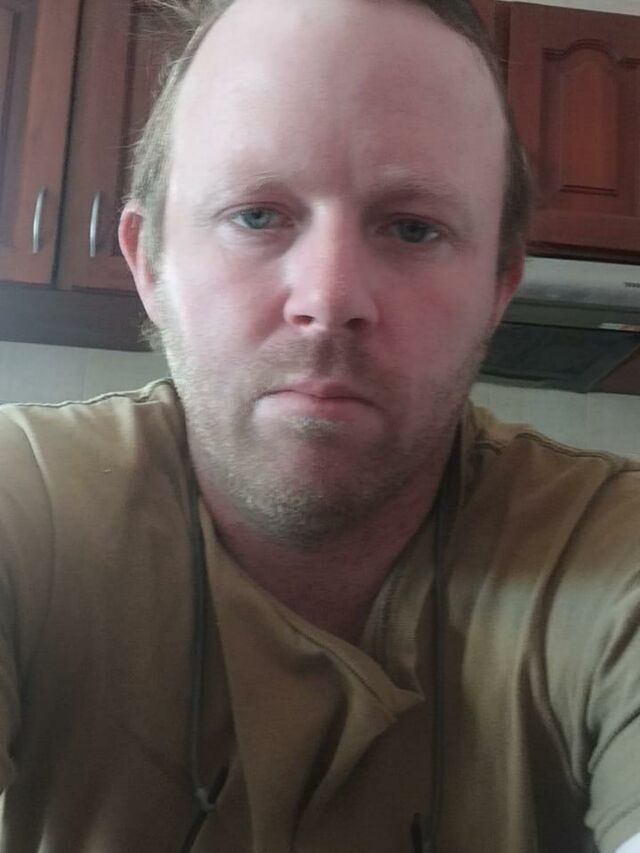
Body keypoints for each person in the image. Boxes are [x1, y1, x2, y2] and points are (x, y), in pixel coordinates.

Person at [0, 0, 639, 850]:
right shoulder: (23, 504)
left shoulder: (614, 552)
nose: (330, 299)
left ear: (497, 288)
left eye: (413, 227)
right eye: (257, 215)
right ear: (149, 262)